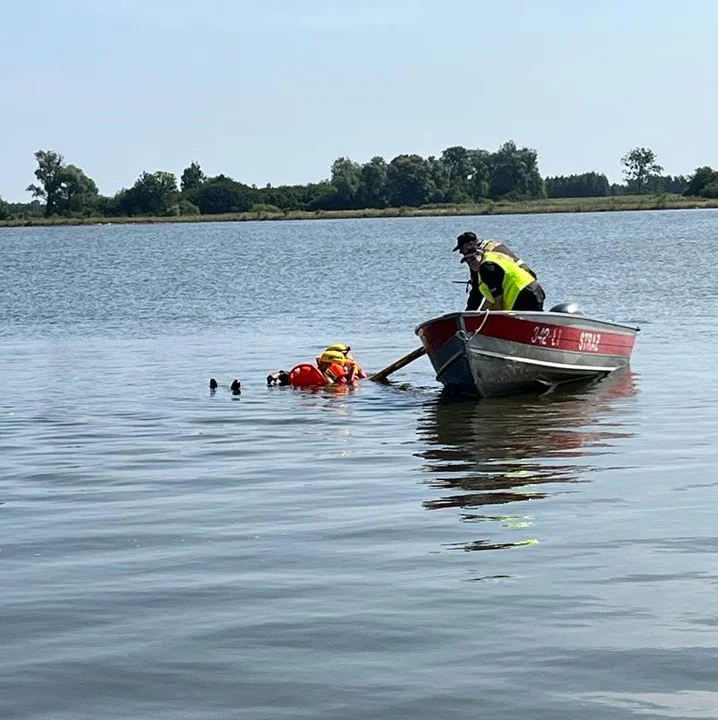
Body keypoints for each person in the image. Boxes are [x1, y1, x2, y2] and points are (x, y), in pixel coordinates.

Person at [453, 231, 538, 310]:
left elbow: (477, 291)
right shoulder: (492, 246)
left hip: (520, 290)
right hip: (529, 281)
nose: (462, 253)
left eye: (462, 250)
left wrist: (469, 313)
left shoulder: (479, 259)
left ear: (470, 244)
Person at [461, 246, 546, 312]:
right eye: (467, 261)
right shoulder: (493, 257)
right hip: (535, 289)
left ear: (480, 254)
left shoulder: (486, 268)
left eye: (473, 259)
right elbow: (491, 300)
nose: (471, 263)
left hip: (523, 295)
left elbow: (498, 300)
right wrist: (478, 316)